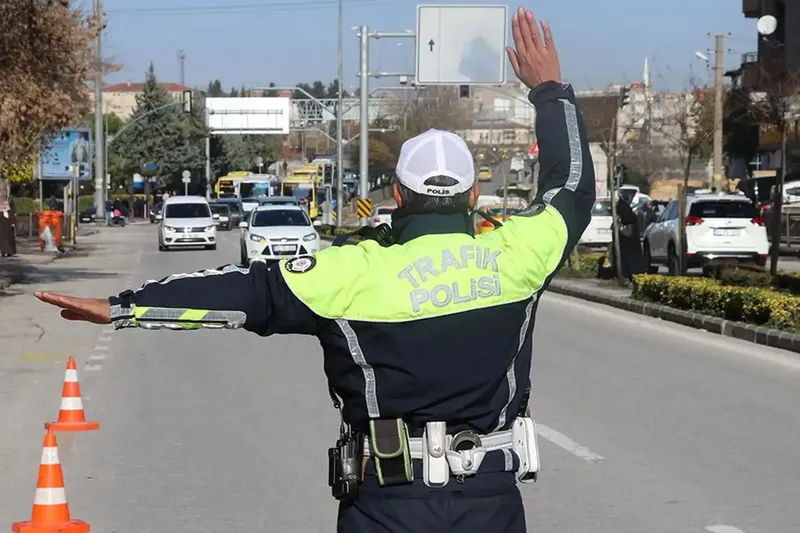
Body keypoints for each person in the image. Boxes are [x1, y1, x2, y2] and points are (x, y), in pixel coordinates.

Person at [34, 8, 595, 532]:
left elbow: (244, 292)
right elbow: (570, 186)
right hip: (489, 504)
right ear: (475, 194)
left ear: (397, 194)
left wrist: (124, 308)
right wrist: (549, 91)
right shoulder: (519, 252)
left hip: (386, 503)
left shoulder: (349, 271)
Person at [0, 179, 16, 257]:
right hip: (4, 211)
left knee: (6, 233)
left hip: (5, 212)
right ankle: (6, 250)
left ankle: (7, 250)